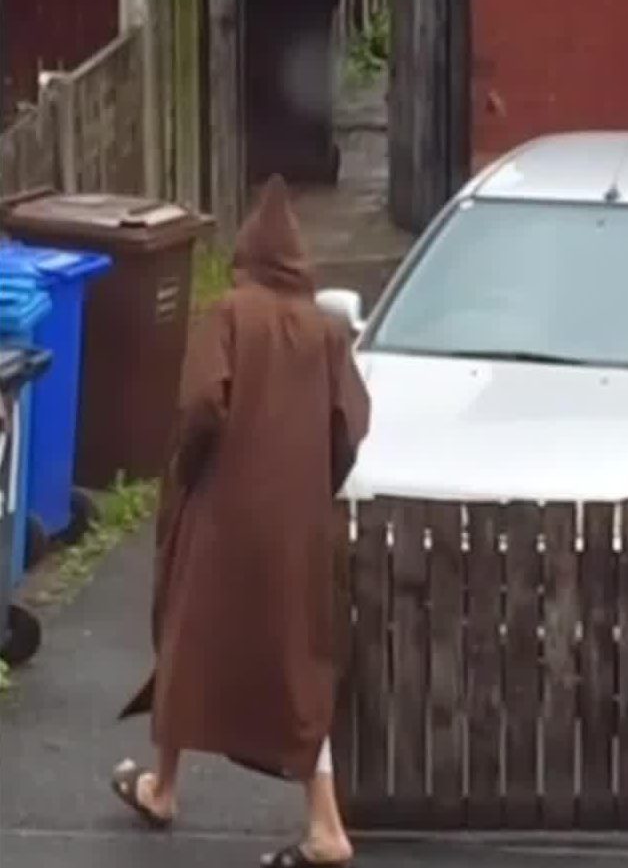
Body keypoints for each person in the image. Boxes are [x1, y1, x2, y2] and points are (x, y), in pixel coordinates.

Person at [111, 175, 370, 868]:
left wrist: (189, 472)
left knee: (189, 637)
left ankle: (165, 786)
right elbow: (349, 426)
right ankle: (322, 822)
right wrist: (313, 486)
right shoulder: (327, 332)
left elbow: (202, 403)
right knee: (296, 663)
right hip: (297, 529)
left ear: (248, 257)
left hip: (222, 513)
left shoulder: (229, 313)